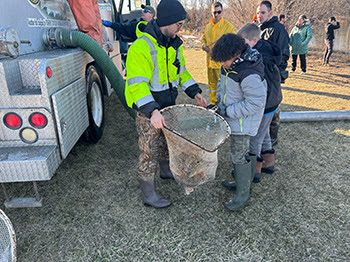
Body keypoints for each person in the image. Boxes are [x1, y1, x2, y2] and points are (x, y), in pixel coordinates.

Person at [124, 0, 207, 209]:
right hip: (148, 111)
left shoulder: (175, 45)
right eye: (178, 24)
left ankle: (165, 170)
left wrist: (195, 92)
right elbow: (137, 84)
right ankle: (149, 194)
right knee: (149, 151)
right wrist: (152, 111)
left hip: (168, 107)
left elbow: (182, 73)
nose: (180, 28)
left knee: (167, 143)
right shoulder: (141, 47)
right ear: (167, 22)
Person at [212, 33, 267, 211]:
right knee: (242, 153)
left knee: (238, 155)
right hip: (235, 119)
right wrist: (219, 103)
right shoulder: (229, 67)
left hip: (243, 123)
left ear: (235, 55)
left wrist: (228, 111)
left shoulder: (248, 72)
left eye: (224, 61)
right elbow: (223, 85)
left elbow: (255, 102)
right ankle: (243, 183)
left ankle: (242, 193)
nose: (222, 65)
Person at [238, 23, 282, 182]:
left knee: (255, 135)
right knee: (264, 132)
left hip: (266, 102)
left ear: (252, 40)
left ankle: (253, 171)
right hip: (273, 100)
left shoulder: (257, 57)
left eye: (242, 42)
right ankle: (268, 163)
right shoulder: (264, 52)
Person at [256, 0, 289, 146]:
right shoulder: (258, 29)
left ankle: (272, 140)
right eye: (257, 13)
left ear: (270, 13)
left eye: (262, 13)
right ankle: (263, 139)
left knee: (273, 107)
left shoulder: (278, 29)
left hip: (272, 76)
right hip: (259, 76)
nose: (259, 15)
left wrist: (277, 73)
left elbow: (283, 55)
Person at [201, 1, 236, 108]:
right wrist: (204, 46)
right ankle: (213, 103)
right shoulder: (208, 27)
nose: (216, 14)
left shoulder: (228, 27)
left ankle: (222, 104)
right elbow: (203, 39)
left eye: (218, 12)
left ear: (222, 12)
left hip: (222, 63)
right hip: (210, 62)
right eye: (214, 12)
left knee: (223, 86)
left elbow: (233, 44)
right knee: (211, 84)